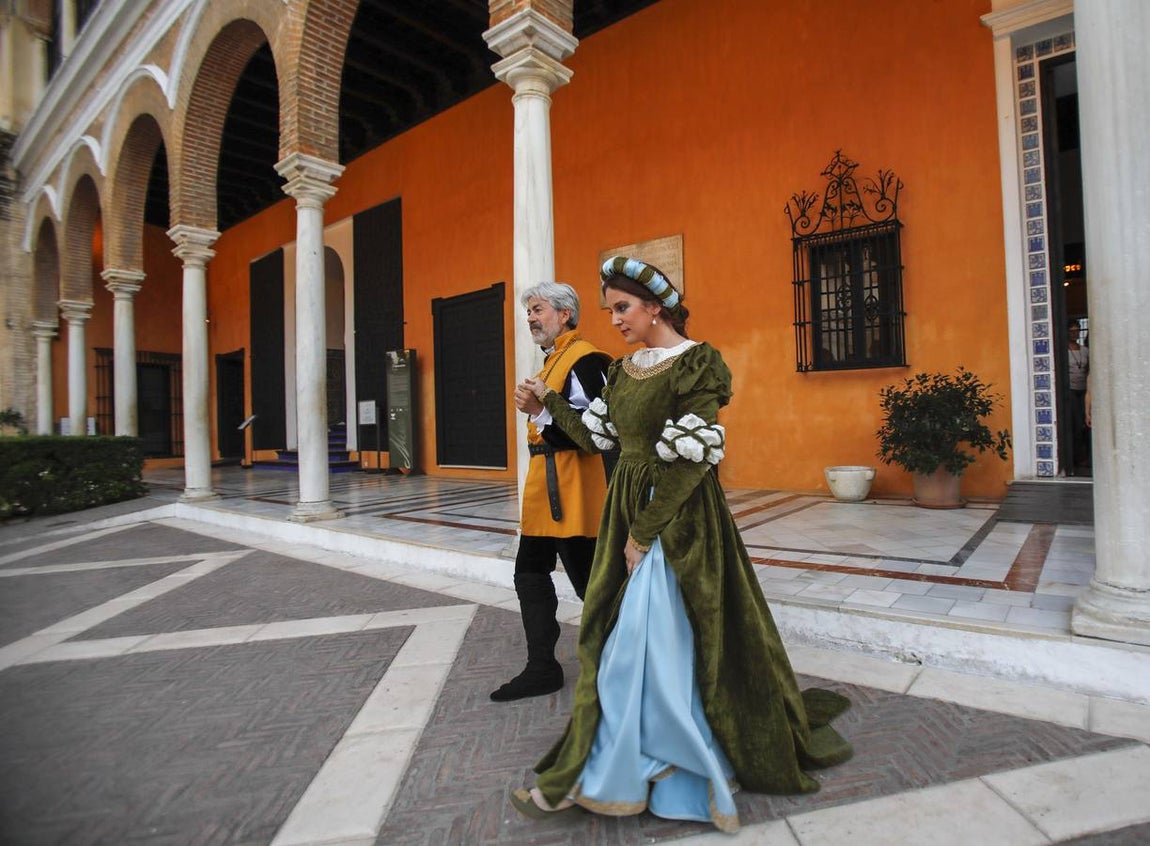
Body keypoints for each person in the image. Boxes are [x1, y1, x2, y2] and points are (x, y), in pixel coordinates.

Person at [509, 257, 852, 832]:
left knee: (643, 644)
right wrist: (548, 405)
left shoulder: (697, 364)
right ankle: (617, 765)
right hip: (628, 510)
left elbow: (693, 465)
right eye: (610, 309)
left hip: (679, 521)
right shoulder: (623, 371)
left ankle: (626, 768)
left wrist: (645, 533)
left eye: (622, 307)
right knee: (633, 644)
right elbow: (600, 436)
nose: (615, 319)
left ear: (655, 307)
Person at [490, 281, 612, 702]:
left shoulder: (587, 359)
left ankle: (621, 661)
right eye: (529, 311)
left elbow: (597, 432)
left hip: (577, 489)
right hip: (545, 487)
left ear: (565, 314)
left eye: (538, 309)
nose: (531, 318)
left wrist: (540, 410)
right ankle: (541, 665)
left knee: (589, 582)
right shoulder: (552, 362)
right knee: (529, 572)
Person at [1067, 320, 1090, 472]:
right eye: (1072, 330)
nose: (1075, 333)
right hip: (1071, 390)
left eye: (1077, 330)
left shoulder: (1085, 351)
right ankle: (1077, 458)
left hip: (1085, 390)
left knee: (1086, 424)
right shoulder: (1064, 350)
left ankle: (1086, 456)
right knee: (1075, 424)